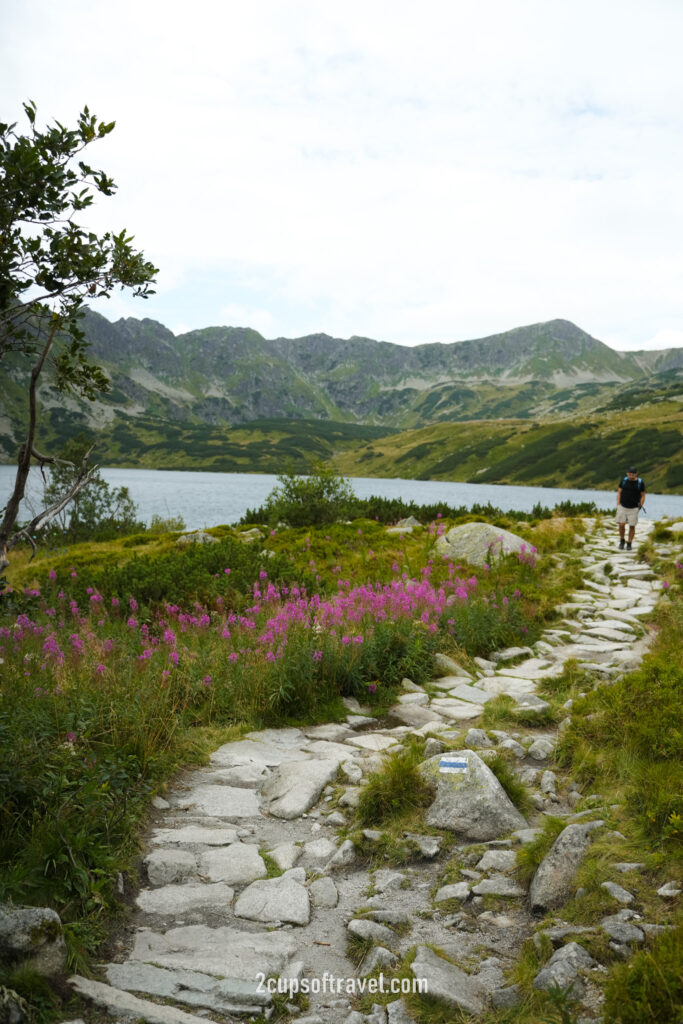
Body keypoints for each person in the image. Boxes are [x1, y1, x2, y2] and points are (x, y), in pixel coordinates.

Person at [616, 466, 645, 550]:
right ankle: (622, 541)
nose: (631, 475)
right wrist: (618, 504)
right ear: (627, 473)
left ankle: (629, 543)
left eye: (633, 473)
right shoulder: (624, 481)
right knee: (621, 525)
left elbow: (643, 495)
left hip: (634, 508)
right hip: (622, 506)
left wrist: (640, 506)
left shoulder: (640, 483)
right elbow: (619, 492)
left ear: (636, 474)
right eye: (630, 473)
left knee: (632, 526)